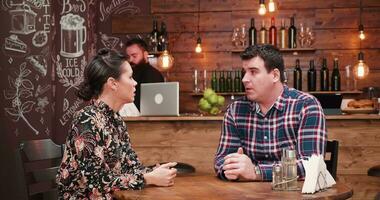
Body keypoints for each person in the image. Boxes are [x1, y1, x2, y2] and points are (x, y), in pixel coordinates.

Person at [56, 49, 177, 199]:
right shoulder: (86, 119)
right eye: (130, 77)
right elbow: (96, 182)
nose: (135, 83)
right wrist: (148, 178)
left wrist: (154, 171)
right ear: (113, 83)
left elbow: (131, 168)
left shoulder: (117, 121)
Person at [214, 44, 327, 181]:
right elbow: (221, 161)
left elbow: (312, 165)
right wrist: (232, 168)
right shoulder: (235, 110)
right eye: (244, 72)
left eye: (253, 72)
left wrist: (257, 172)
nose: (244, 79)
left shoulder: (306, 106)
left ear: (274, 75)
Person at [125, 38, 164, 111]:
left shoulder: (153, 75)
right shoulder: (128, 75)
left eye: (134, 56)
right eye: (128, 57)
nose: (130, 60)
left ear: (145, 55)